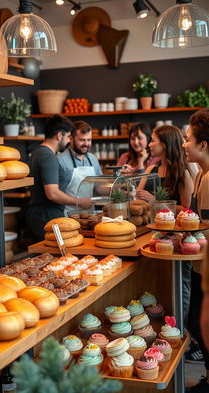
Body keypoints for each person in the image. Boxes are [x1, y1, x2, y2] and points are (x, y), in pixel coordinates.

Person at [26, 115, 92, 243]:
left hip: (37, 215)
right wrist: (79, 202)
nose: (69, 141)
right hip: (46, 217)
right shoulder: (48, 157)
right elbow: (52, 193)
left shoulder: (36, 152)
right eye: (68, 137)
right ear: (59, 136)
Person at [183, 109, 209, 392]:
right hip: (201, 263)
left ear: (203, 144)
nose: (184, 143)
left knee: (200, 323)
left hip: (205, 265)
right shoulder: (202, 175)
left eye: (188, 139)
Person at [136, 124, 193, 212]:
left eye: (153, 140)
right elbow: (137, 197)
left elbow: (185, 209)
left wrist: (155, 200)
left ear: (164, 145)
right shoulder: (150, 169)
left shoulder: (182, 173)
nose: (149, 144)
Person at [58, 120, 102, 215]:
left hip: (90, 215)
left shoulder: (93, 159)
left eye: (89, 140)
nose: (86, 144)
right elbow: (55, 194)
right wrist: (79, 202)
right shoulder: (61, 160)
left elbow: (98, 187)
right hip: (68, 215)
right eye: (82, 140)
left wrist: (116, 187)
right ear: (71, 139)